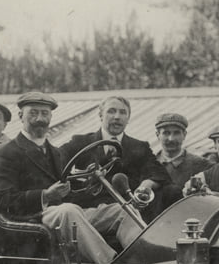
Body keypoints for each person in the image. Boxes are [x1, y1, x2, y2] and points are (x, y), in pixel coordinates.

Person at [0, 92, 117, 264]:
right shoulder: (5, 154)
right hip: (33, 217)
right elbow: (4, 200)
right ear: (21, 116)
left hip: (64, 214)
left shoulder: (56, 152)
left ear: (50, 116)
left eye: (45, 113)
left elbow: (67, 187)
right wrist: (45, 195)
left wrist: (89, 181)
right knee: (68, 210)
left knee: (120, 210)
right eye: (33, 113)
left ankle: (143, 259)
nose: (40, 118)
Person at [59, 95, 170, 233]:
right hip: (87, 213)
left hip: (127, 213)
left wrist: (144, 187)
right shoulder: (80, 142)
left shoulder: (139, 147)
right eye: (111, 111)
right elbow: (56, 163)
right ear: (101, 115)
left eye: (123, 112)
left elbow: (158, 173)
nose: (117, 117)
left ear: (128, 119)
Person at [154, 112, 212, 209]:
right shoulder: (147, 164)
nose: (171, 139)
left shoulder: (202, 165)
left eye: (176, 133)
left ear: (184, 135)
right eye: (166, 133)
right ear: (157, 135)